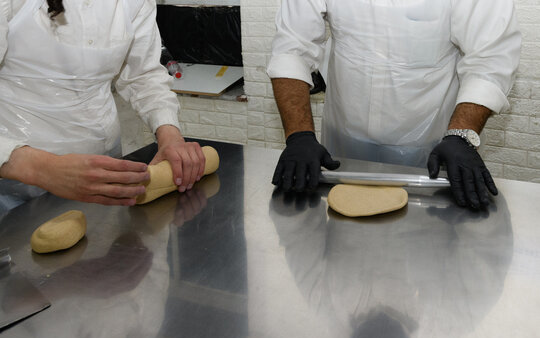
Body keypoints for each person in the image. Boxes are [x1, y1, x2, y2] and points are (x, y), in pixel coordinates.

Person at [267, 0, 521, 209]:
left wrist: (461, 135)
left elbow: (490, 60)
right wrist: (299, 134)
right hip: (343, 138)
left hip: (431, 146)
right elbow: (293, 48)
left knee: (424, 241)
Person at [0, 0, 205, 208]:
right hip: (18, 183)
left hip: (105, 175)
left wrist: (170, 135)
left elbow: (143, 75)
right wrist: (43, 169)